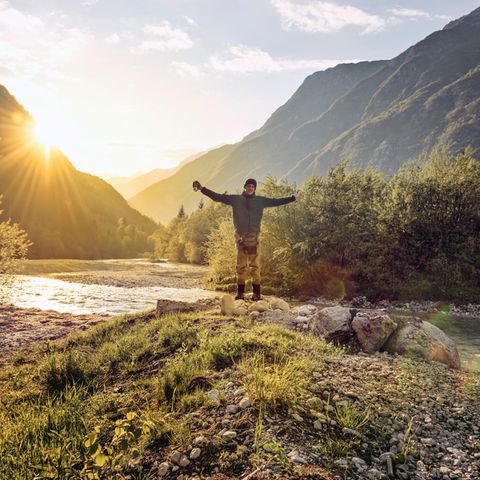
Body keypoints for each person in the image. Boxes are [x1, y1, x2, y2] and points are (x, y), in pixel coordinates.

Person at [193, 178, 300, 301]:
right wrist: (202, 189)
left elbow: (276, 201)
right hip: (240, 237)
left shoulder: (260, 201)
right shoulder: (235, 199)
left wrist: (292, 198)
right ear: (245, 187)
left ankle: (256, 294)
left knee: (255, 266)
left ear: (254, 189)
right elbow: (218, 197)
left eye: (252, 187)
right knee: (241, 266)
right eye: (248, 186)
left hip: (255, 237)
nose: (250, 188)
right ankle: (240, 294)